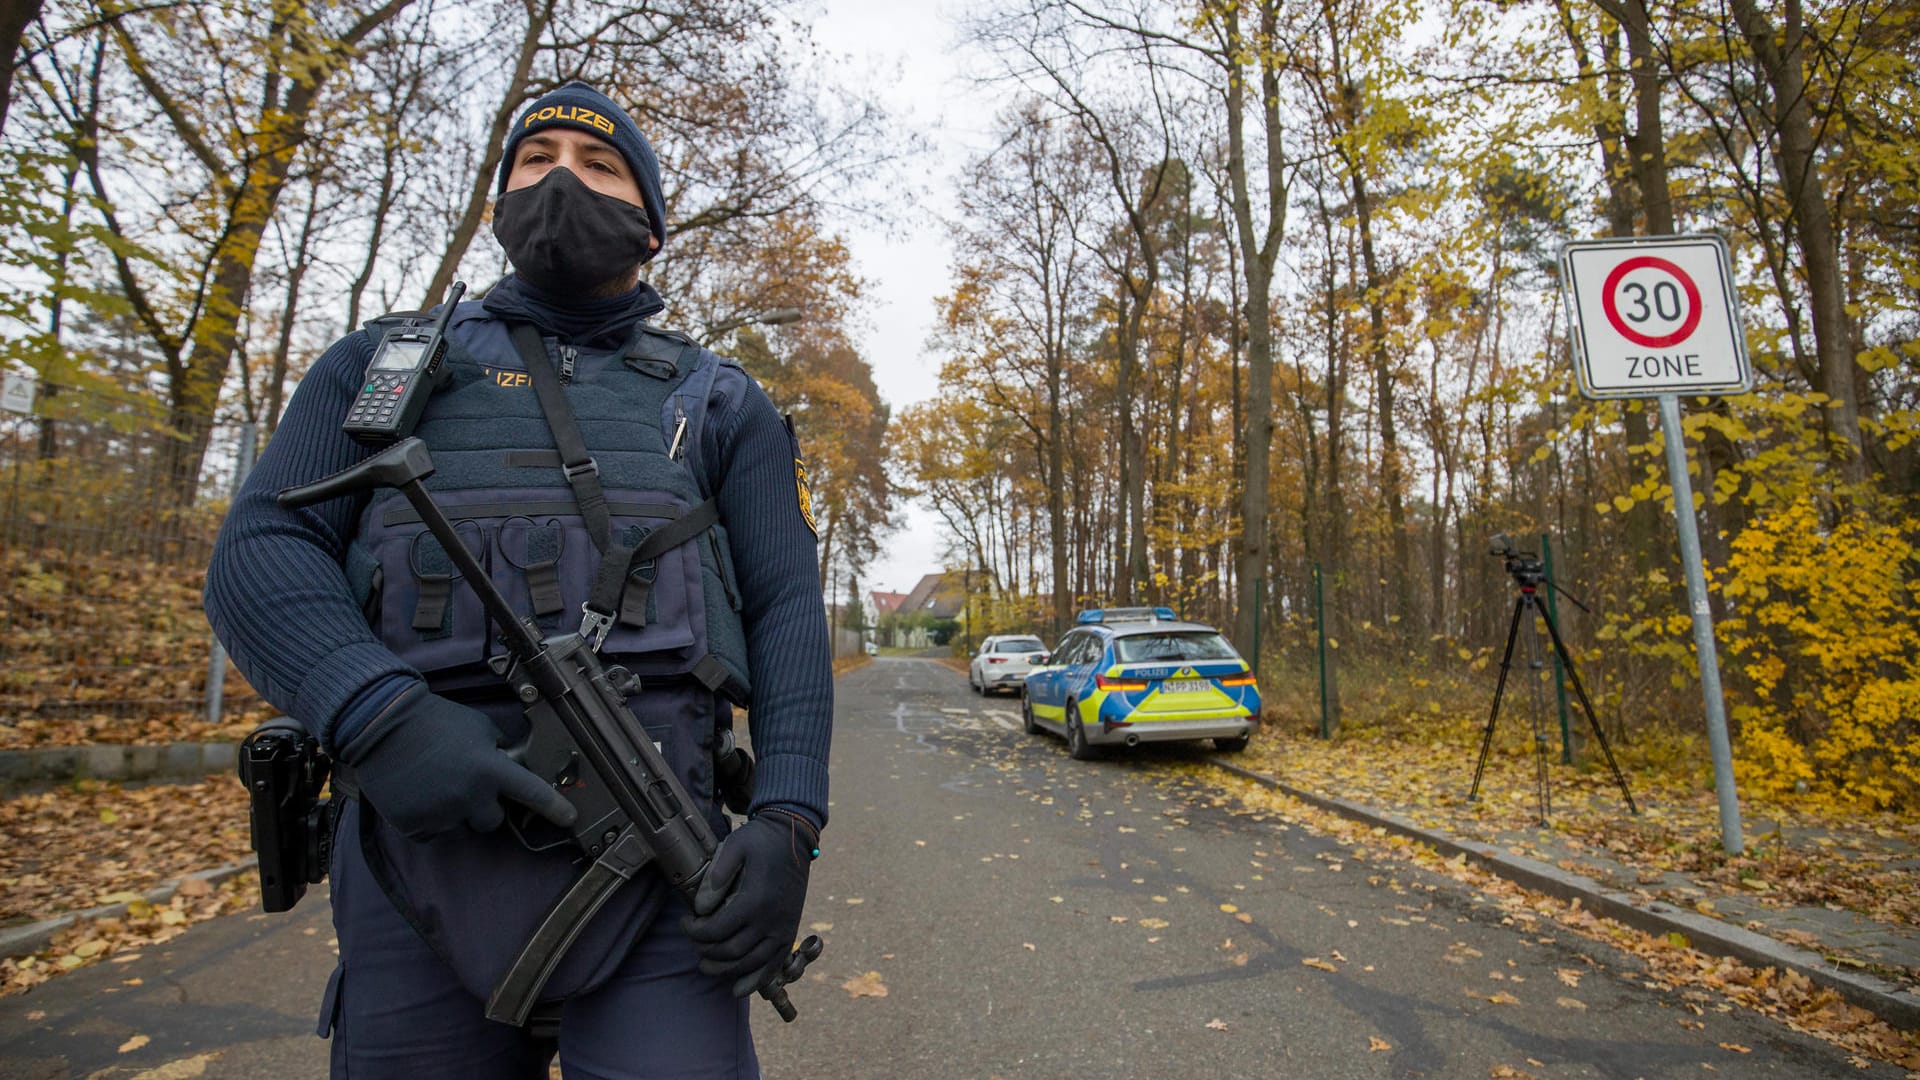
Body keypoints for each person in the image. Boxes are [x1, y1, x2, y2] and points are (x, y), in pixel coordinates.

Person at [205, 81, 832, 1079]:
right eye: (534, 162)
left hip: (664, 872)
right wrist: (378, 715)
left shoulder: (722, 403)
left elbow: (792, 610)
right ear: (499, 208)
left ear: (653, 227)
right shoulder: (385, 364)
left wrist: (790, 821)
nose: (560, 180)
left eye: (599, 164)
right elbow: (260, 554)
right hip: (419, 855)